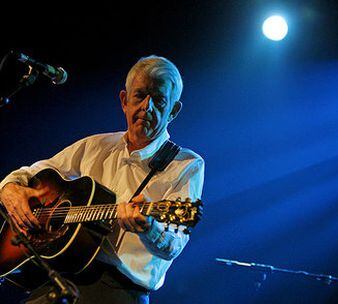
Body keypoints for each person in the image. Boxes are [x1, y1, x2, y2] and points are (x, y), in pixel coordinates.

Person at [0, 55, 205, 304]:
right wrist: (10, 189)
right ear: (124, 101)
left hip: (118, 290)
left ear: (173, 110)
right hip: (59, 277)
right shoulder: (95, 145)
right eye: (139, 95)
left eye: (159, 100)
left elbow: (174, 245)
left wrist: (149, 228)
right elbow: (33, 172)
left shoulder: (186, 165)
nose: (147, 107)